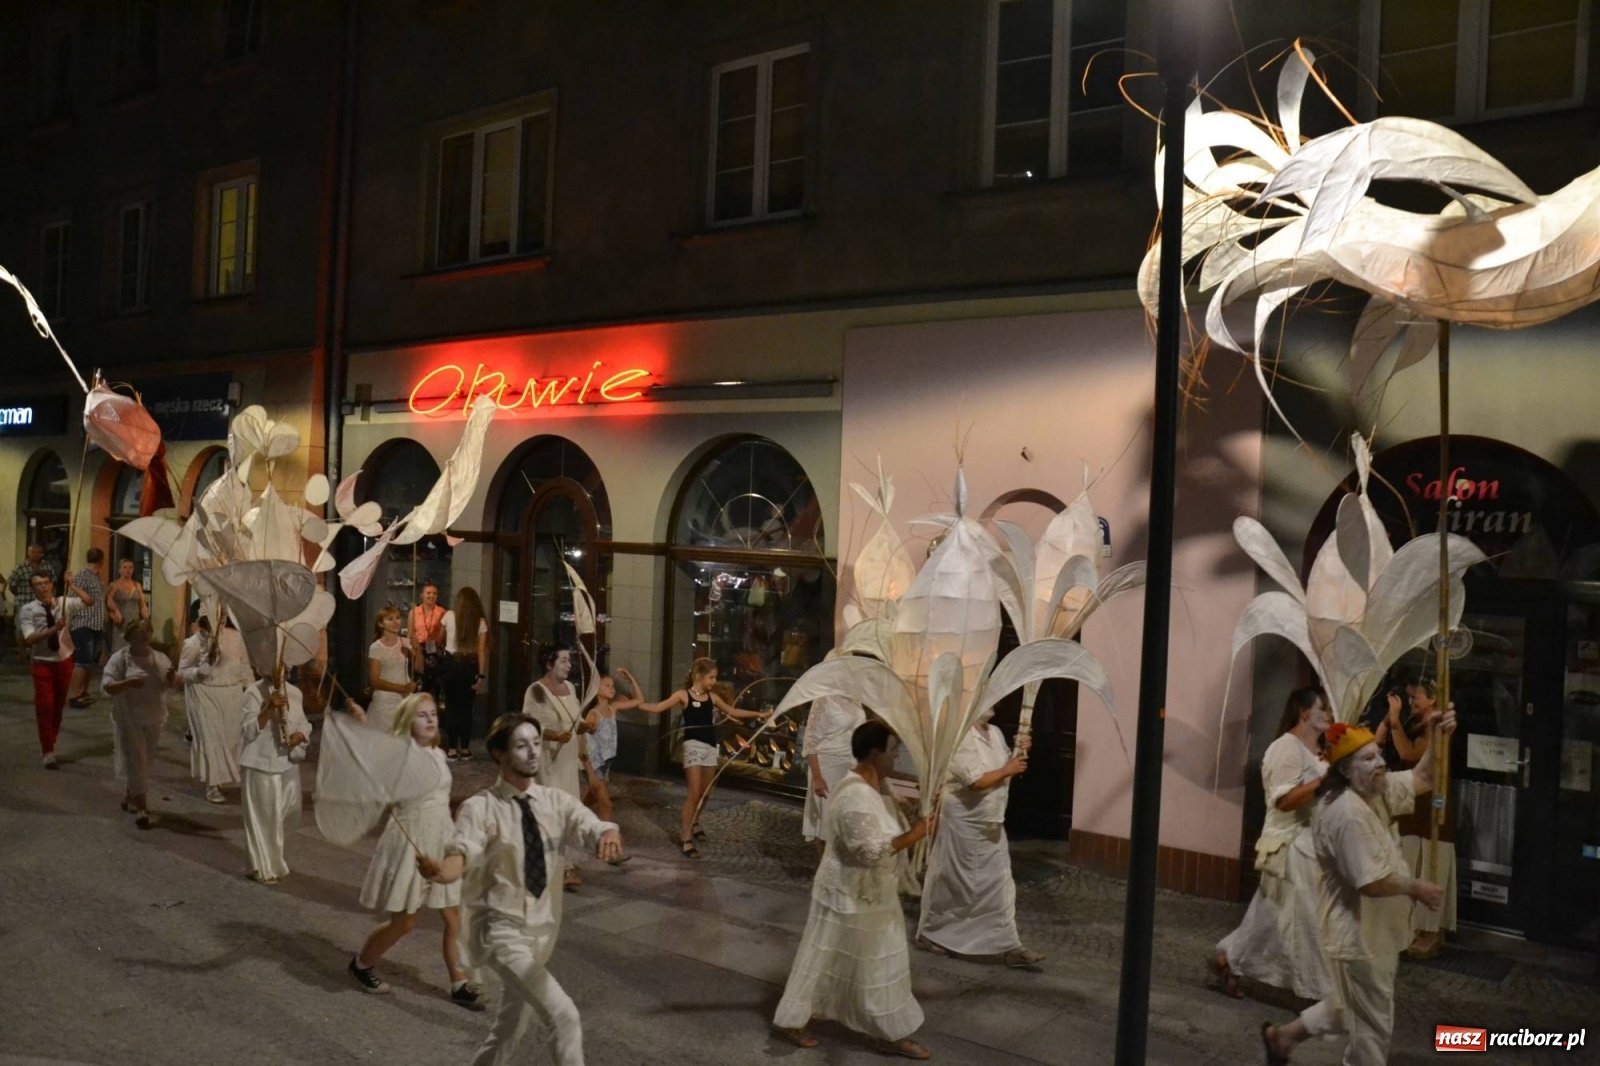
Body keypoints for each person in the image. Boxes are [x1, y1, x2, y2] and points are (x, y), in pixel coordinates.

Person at [420, 712, 623, 1066]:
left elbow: (589, 823)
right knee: (564, 1017)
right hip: (500, 931)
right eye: (521, 745)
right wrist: (443, 871)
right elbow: (461, 853)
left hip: (542, 932)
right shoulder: (481, 807)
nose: (532, 752)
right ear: (500, 754)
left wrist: (608, 832)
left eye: (535, 743)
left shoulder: (554, 802)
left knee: (509, 1029)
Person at [1260, 713, 1455, 1066]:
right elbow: (1370, 881)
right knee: (1373, 1028)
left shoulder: (1373, 791)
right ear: (1346, 771)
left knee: (1349, 1004)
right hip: (1359, 938)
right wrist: (1416, 887)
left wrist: (1438, 736)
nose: (1380, 762)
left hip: (1376, 933)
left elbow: (1424, 777)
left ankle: (1283, 1037)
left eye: (1378, 754)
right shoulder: (1345, 813)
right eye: (1368, 758)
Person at [773, 721, 938, 1059]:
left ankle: (889, 1032)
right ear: (875, 754)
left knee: (883, 963)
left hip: (875, 891)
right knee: (823, 953)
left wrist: (919, 809)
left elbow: (893, 818)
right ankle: (793, 1020)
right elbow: (869, 850)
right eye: (893, 751)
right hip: (844, 892)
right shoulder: (852, 795)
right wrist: (917, 834)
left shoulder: (879, 785)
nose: (897, 758)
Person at [347, 692, 484, 1011]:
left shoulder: (437, 752)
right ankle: (362, 964)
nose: (430, 719)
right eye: (422, 715)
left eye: (433, 713)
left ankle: (459, 983)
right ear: (408, 722)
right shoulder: (401, 755)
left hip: (442, 837)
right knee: (405, 922)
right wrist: (363, 725)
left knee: (453, 917)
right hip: (412, 840)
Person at [1214, 686, 1333, 1001]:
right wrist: (1323, 782)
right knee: (1308, 918)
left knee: (1271, 917)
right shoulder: (1285, 748)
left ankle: (1230, 957)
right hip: (1289, 846)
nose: (1330, 715)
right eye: (1324, 709)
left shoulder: (1319, 750)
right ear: (1304, 713)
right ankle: (1318, 996)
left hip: (1312, 847)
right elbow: (1282, 800)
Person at [916, 707, 1044, 968]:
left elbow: (1008, 769)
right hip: (962, 821)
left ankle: (1010, 945)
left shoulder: (994, 733)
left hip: (991, 820)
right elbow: (974, 781)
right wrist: (1008, 769)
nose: (994, 703)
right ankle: (933, 931)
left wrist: (1020, 751)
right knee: (954, 881)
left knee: (1000, 883)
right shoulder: (957, 736)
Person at [632, 657, 769, 859]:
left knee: (706, 793)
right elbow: (658, 707)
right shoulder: (683, 695)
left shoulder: (712, 698)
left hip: (710, 748)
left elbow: (732, 711)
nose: (714, 682)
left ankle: (695, 821)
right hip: (693, 746)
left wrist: (757, 714)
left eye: (715, 678)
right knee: (694, 793)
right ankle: (686, 837)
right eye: (711, 677)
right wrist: (637, 703)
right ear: (699, 676)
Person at [1378, 679, 1457, 959]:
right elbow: (1380, 741)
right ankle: (1407, 923)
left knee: (1428, 860)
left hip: (1427, 801)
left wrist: (1396, 722)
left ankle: (1429, 928)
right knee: (1408, 858)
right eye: (1410, 698)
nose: (1412, 703)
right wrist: (1390, 721)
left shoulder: (1434, 728)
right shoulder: (1414, 723)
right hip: (1409, 801)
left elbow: (1410, 754)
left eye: (1417, 698)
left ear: (1432, 700)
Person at [522, 646, 589, 888]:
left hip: (568, 760)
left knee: (568, 809)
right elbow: (530, 723)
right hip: (548, 760)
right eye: (563, 660)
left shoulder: (570, 688)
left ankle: (565, 862)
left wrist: (586, 727)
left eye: (569, 661)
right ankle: (558, 866)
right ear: (549, 664)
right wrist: (553, 735)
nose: (568, 665)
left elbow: (575, 720)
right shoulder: (537, 690)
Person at [101, 620, 179, 829]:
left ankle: (129, 796)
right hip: (129, 716)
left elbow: (166, 686)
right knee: (137, 757)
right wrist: (127, 684)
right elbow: (108, 686)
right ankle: (142, 807)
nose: (144, 636)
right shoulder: (120, 659)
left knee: (145, 759)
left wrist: (172, 678)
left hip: (152, 715)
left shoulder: (159, 658)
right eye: (139, 632)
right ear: (129, 636)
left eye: (147, 631)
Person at [239, 679, 313, 885]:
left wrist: (300, 734)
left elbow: (305, 722)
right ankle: (263, 867)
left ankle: (264, 858)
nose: (283, 667)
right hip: (260, 763)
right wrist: (267, 710)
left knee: (291, 813)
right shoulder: (254, 692)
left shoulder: (295, 692)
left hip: (288, 762)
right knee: (265, 819)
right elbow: (247, 731)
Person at [178, 606, 251, 804]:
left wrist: (251, 692)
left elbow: (244, 667)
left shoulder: (236, 638)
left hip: (232, 693)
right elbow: (182, 672)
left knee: (230, 739)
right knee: (212, 740)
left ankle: (223, 778)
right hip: (206, 694)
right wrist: (199, 672)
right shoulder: (193, 644)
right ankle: (212, 785)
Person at [18, 571, 82, 768]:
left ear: (52, 585)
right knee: (45, 706)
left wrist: (71, 585)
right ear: (33, 588)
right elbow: (30, 639)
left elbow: (88, 601)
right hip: (42, 662)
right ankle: (47, 750)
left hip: (64, 661)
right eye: (38, 584)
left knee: (58, 706)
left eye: (46, 583)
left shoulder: (64, 603)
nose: (43, 587)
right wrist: (55, 629)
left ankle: (50, 741)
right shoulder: (28, 610)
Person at [801, 693, 867, 851]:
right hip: (827, 768)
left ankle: (836, 869)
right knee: (827, 825)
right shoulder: (824, 700)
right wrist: (817, 777)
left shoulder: (855, 700)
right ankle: (825, 871)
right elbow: (811, 742)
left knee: (844, 823)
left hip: (851, 766)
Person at [580, 669, 645, 822]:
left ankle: (570, 821)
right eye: (607, 685)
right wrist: (588, 768)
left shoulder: (613, 707)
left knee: (588, 800)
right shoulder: (593, 715)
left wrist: (631, 678)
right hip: (594, 765)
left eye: (613, 685)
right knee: (606, 805)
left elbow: (639, 700)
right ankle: (606, 837)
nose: (612, 688)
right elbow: (581, 739)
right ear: (596, 690)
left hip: (605, 764)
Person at [439, 586, 489, 760]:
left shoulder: (448, 616)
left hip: (451, 663)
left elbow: (440, 638)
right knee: (467, 708)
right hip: (470, 664)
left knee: (451, 706)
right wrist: (481, 675)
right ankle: (466, 748)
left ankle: (452, 748)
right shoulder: (480, 622)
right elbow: (481, 651)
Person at [66, 547, 107, 708]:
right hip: (83, 624)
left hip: (96, 624)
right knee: (82, 661)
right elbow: (71, 601)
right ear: (101, 561)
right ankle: (74, 694)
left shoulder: (97, 578)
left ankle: (83, 692)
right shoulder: (82, 576)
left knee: (89, 662)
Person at [366, 604, 416, 734]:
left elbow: (419, 667)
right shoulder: (376, 647)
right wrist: (402, 688)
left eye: (398, 618)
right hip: (385, 699)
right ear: (381, 624)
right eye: (390, 619)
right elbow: (375, 680)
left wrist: (415, 650)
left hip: (405, 698)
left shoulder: (405, 642)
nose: (396, 622)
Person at [10, 543, 59, 663]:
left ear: (42, 554)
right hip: (24, 601)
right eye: (33, 552)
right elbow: (12, 585)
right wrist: (21, 595)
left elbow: (53, 581)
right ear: (28, 553)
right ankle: (22, 652)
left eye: (38, 552)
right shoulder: (20, 567)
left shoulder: (46, 566)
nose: (36, 555)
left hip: (43, 602)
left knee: (41, 626)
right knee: (21, 628)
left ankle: (37, 651)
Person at [409, 581, 448, 700]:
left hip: (434, 650)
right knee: (418, 688)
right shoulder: (414, 612)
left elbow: (444, 635)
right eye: (428, 593)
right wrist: (416, 653)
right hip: (418, 650)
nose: (431, 596)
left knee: (433, 688)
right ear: (422, 595)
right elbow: (410, 633)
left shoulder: (442, 612)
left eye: (434, 593)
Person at [106, 557, 148, 655]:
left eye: (130, 568)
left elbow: (142, 604)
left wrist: (146, 621)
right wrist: (114, 614)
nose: (128, 570)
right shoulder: (114, 585)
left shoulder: (137, 585)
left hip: (134, 624)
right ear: (119, 570)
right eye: (125, 568)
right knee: (119, 654)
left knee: (133, 653)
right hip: (121, 625)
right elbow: (108, 603)